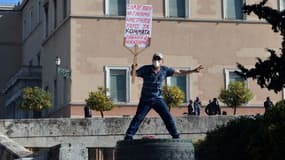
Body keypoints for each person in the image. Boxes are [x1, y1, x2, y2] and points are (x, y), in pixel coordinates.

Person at [124, 52, 203, 140]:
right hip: (146, 99)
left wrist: (192, 71)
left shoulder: (165, 70)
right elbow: (133, 74)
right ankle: (129, 135)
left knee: (167, 116)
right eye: (154, 59)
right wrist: (133, 69)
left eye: (158, 59)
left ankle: (175, 135)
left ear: (162, 61)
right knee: (139, 117)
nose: (156, 61)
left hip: (158, 99)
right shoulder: (146, 69)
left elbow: (179, 72)